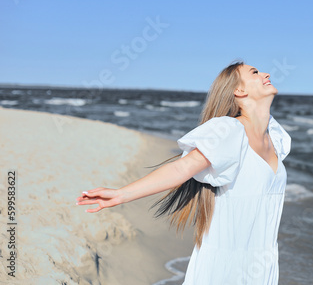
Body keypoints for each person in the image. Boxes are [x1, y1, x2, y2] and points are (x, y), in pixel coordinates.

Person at [76, 60, 292, 284]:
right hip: (226, 266)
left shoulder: (275, 138)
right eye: (255, 72)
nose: (266, 74)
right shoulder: (229, 130)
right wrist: (121, 194)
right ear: (239, 90)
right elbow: (183, 167)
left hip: (262, 263)